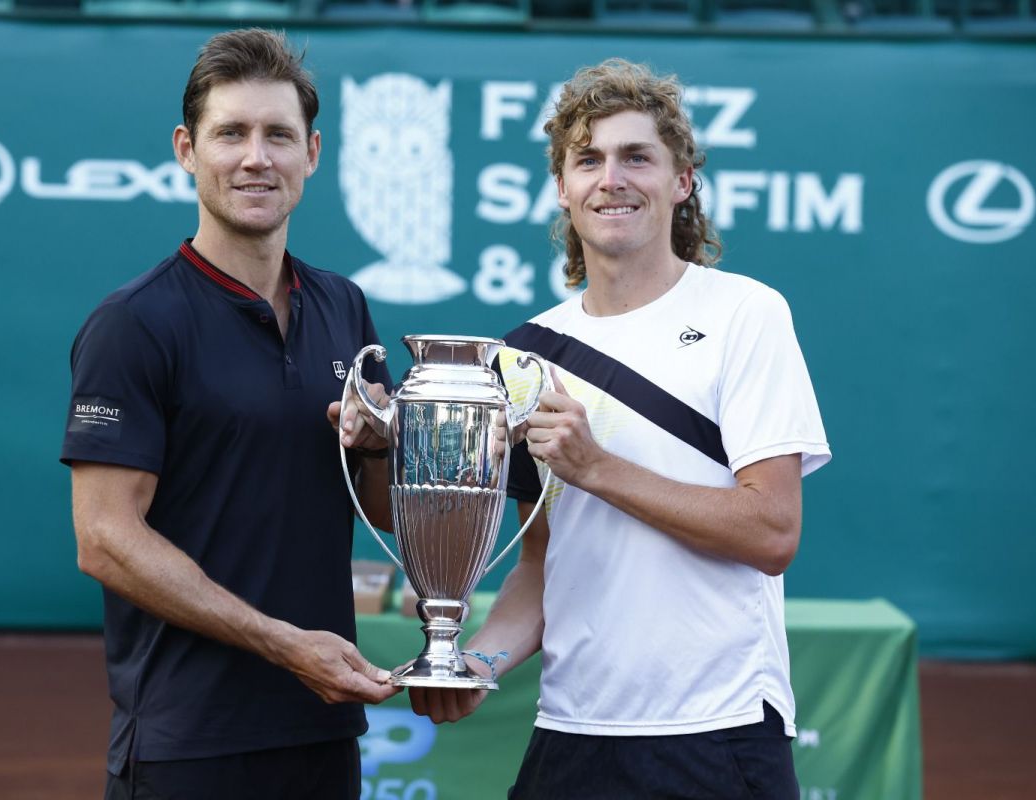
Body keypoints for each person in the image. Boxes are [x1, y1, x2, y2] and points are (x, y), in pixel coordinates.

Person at [408, 59, 831, 799]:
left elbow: (772, 532)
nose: (612, 178)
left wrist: (597, 468)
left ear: (682, 181)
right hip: (571, 732)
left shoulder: (746, 314)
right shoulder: (525, 352)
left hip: (716, 730)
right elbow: (541, 566)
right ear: (564, 188)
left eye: (637, 156)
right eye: (588, 160)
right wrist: (476, 662)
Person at [60, 28, 397, 800]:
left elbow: (379, 512)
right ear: (187, 149)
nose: (257, 158)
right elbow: (105, 539)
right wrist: (280, 645)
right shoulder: (134, 323)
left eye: (278, 135)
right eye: (231, 134)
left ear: (311, 153)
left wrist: (380, 448)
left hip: (321, 725)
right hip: (190, 741)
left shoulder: (344, 306)